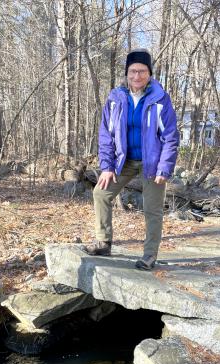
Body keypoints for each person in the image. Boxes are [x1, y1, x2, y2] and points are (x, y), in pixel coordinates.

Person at [83, 48, 179, 270]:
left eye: (142, 71)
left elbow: (170, 137)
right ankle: (103, 243)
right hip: (123, 161)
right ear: (127, 73)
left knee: (152, 209)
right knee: (101, 193)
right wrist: (106, 166)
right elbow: (106, 135)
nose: (137, 76)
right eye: (133, 71)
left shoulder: (160, 100)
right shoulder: (116, 98)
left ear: (150, 73)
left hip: (152, 164)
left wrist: (164, 168)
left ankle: (149, 256)